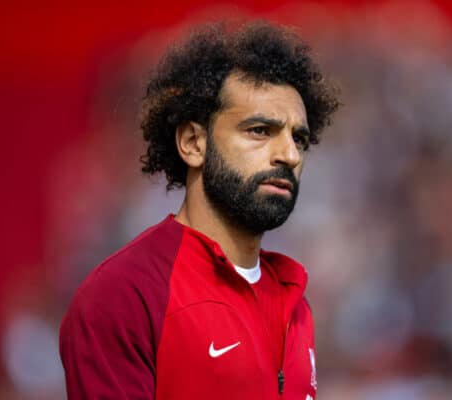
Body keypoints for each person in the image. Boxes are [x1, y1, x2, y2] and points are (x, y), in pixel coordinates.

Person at [59, 20, 339, 400]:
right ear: (193, 143)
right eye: (259, 130)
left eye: (299, 138)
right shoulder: (126, 295)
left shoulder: (296, 306)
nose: (289, 155)